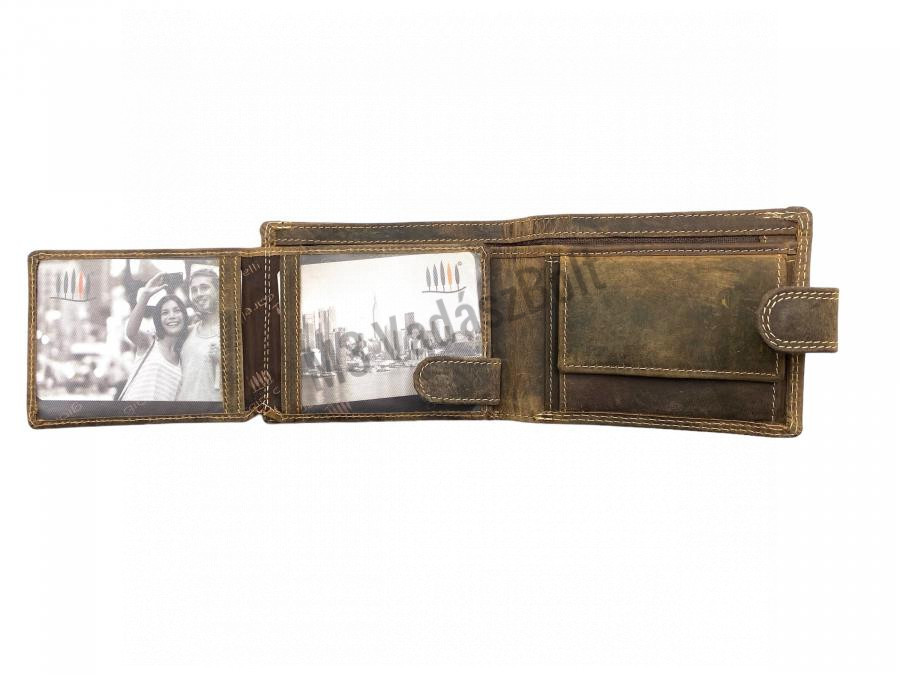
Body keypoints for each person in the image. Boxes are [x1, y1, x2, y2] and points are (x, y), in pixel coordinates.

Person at [119, 273, 188, 401]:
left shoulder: (184, 357)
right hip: (132, 411)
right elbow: (131, 333)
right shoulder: (150, 342)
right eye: (165, 312)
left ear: (184, 316)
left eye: (177, 310)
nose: (172, 316)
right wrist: (145, 296)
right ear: (158, 319)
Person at [176, 268, 221, 401]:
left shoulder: (232, 332)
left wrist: (225, 361)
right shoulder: (188, 331)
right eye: (194, 290)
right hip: (182, 408)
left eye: (204, 287)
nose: (198, 294)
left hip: (211, 411)